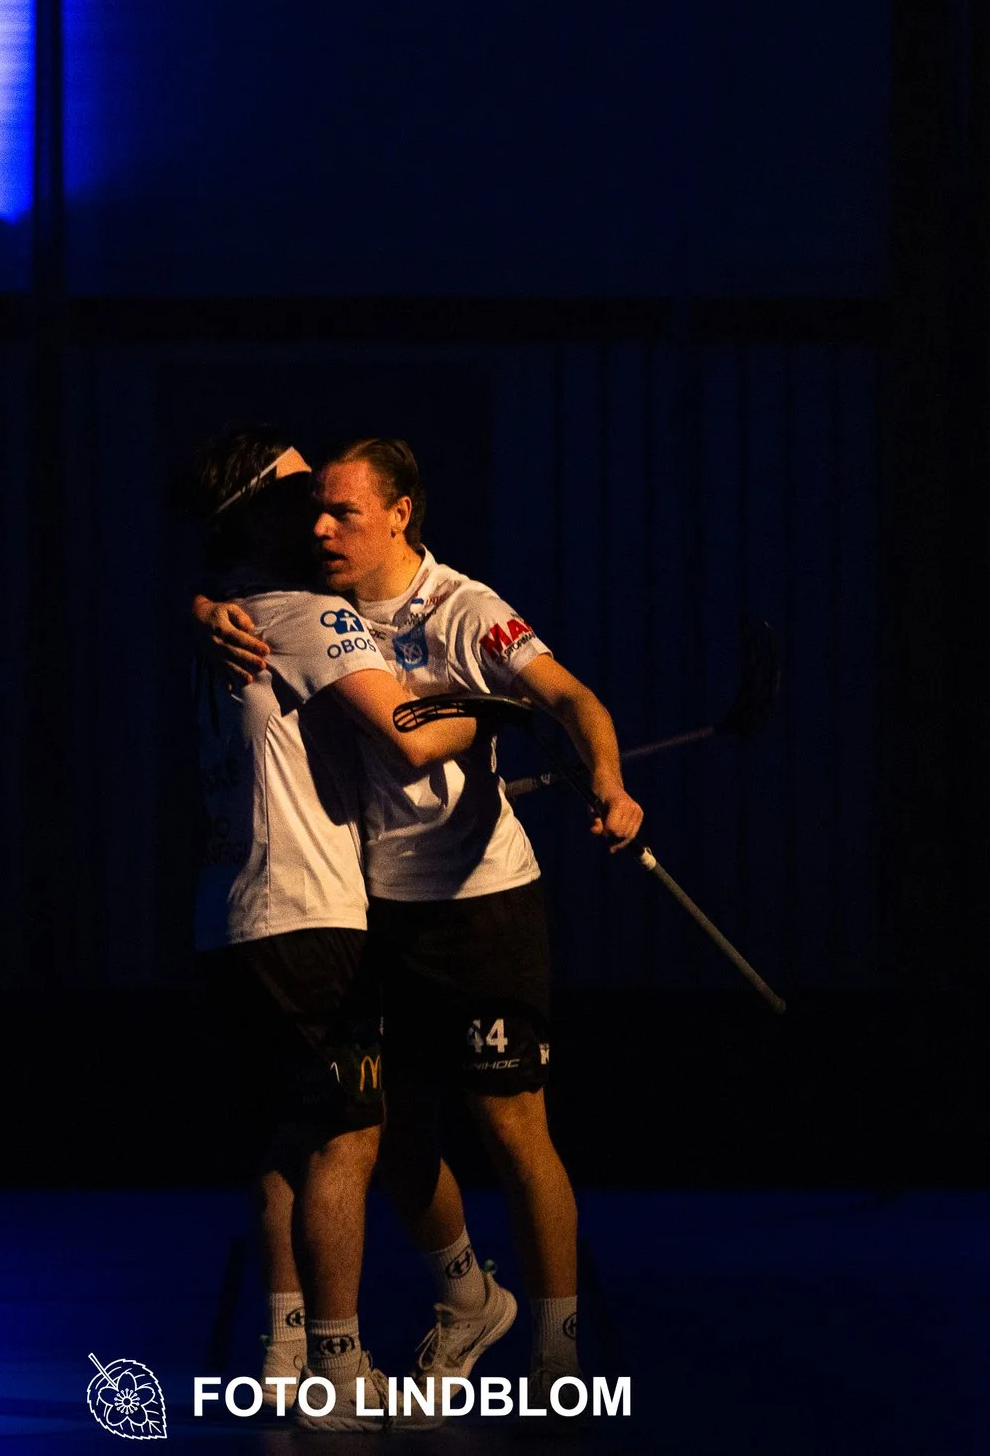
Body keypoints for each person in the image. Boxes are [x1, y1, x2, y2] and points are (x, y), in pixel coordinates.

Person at [198, 436, 642, 1403]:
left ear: (401, 514)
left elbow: (570, 696)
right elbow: (245, 597)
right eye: (313, 509)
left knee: (511, 1125)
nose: (321, 527)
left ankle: (558, 1354)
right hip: (375, 910)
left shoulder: (464, 608)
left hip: (483, 904)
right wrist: (198, 608)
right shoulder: (311, 605)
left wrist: (608, 780)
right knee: (382, 1132)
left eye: (343, 512)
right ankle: (466, 1297)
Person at [178, 425, 479, 1430]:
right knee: (349, 1138)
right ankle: (341, 1370)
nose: (317, 512)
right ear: (254, 512)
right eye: (298, 493)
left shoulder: (222, 620)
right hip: (307, 915)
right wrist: (491, 708)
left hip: (226, 916)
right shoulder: (307, 616)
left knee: (286, 1139)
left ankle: (283, 1350)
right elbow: (410, 738)